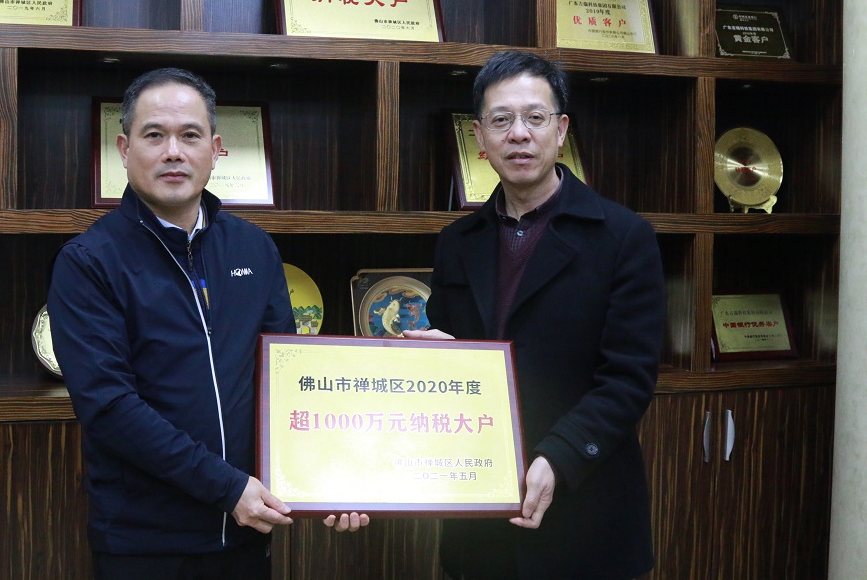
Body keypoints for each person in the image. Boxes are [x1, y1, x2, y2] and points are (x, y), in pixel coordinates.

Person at [47, 68, 366, 580]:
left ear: (215, 149)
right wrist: (227, 488)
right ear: (124, 149)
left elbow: (288, 379)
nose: (173, 152)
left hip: (246, 530)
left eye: (190, 135)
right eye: (155, 135)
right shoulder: (89, 261)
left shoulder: (254, 248)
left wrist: (330, 480)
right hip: (144, 540)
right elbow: (108, 406)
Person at [404, 51, 664, 579]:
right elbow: (457, 356)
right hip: (480, 513)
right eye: (501, 120)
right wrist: (437, 363)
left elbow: (629, 378)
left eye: (535, 117)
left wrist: (559, 456)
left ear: (561, 129)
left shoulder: (623, 237)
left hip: (585, 506)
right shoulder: (457, 242)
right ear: (479, 136)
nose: (518, 134)